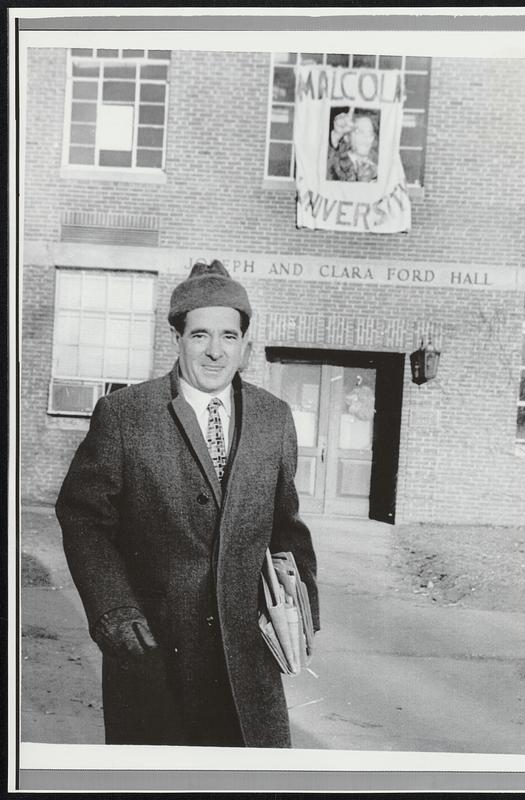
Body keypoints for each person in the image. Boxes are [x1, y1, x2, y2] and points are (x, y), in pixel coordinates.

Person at [56, 260, 319, 748]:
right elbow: (84, 520)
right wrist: (114, 610)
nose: (215, 351)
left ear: (244, 344)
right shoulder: (125, 415)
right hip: (155, 654)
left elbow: (286, 526)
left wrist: (299, 603)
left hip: (248, 658)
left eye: (228, 336)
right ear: (177, 337)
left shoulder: (273, 417)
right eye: (200, 335)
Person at [327, 108, 379, 183]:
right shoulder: (335, 165)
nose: (366, 138)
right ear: (347, 137)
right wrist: (335, 136)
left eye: (369, 133)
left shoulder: (377, 166)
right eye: (359, 131)